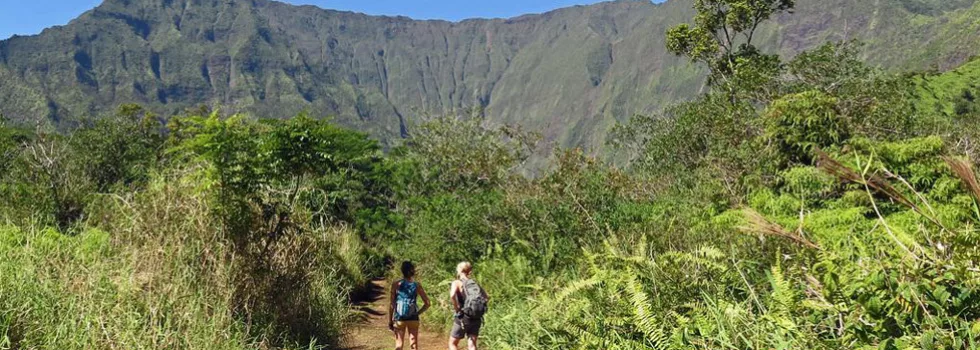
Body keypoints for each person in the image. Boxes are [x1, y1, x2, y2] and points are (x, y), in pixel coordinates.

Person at [389, 261, 431, 350]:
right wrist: (417, 313)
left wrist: (390, 320)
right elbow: (427, 303)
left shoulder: (396, 284)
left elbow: (392, 304)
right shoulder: (416, 285)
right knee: (414, 345)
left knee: (399, 345)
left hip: (399, 318)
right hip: (413, 318)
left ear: (402, 271)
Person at [449, 262, 489, 350]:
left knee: (453, 343)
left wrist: (457, 308)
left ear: (459, 270)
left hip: (464, 316)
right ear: (469, 271)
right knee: (472, 345)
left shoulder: (457, 282)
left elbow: (452, 295)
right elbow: (486, 297)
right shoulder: (474, 283)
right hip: (476, 317)